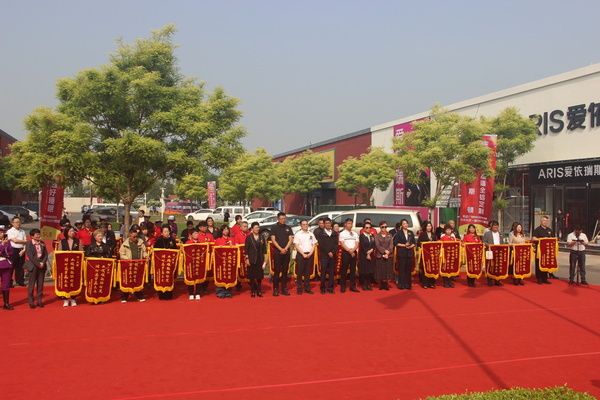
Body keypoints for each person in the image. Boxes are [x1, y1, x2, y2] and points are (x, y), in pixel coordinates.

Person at [119, 228, 148, 303]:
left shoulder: (140, 243)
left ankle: (139, 295)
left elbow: (144, 252)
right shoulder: (125, 244)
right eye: (134, 237)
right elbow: (122, 254)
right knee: (127, 281)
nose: (135, 238)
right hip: (128, 265)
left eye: (136, 236)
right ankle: (124, 296)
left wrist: (146, 256)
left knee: (137, 280)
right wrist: (128, 259)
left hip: (138, 265)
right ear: (130, 235)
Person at [270, 212, 294, 297]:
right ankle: (275, 289)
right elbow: (273, 240)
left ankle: (284, 288)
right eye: (281, 219)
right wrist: (280, 249)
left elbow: (290, 239)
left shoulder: (288, 228)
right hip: (278, 252)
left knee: (285, 271)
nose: (283, 220)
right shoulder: (274, 228)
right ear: (278, 219)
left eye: (284, 218)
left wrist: (286, 248)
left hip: (286, 252)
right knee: (277, 271)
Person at [24, 229, 48, 308]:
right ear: (32, 236)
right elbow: (30, 256)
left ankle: (39, 300)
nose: (38, 236)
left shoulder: (42, 243)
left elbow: (46, 254)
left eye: (39, 234)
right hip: (33, 266)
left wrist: (43, 263)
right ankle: (31, 301)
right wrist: (38, 264)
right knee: (32, 284)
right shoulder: (29, 243)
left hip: (42, 266)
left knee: (40, 284)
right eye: (37, 234)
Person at [154, 226, 179, 300]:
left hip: (169, 262)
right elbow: (155, 251)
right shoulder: (159, 240)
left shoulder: (172, 240)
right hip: (161, 263)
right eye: (165, 231)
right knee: (161, 277)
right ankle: (161, 293)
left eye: (167, 231)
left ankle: (169, 293)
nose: (166, 233)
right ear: (162, 233)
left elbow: (175, 250)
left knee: (169, 277)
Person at [293, 219, 317, 295]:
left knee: (307, 272)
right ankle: (299, 288)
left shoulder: (311, 234)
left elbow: (314, 244)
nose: (305, 226)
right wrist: (303, 254)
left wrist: (310, 253)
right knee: (300, 272)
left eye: (306, 224)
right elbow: (296, 245)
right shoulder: (298, 234)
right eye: (303, 224)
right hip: (301, 254)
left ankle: (307, 288)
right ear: (301, 225)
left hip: (309, 254)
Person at [315, 217, 338, 294]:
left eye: (329, 223)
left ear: (331, 224)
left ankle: (330, 288)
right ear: (324, 224)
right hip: (324, 255)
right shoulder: (320, 233)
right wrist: (328, 252)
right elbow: (321, 244)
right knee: (323, 272)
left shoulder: (334, 233)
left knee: (331, 272)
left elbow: (336, 244)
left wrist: (332, 252)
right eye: (326, 223)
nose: (328, 224)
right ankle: (322, 288)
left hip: (332, 255)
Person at [245, 222, 266, 297]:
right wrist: (247, 259)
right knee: (252, 276)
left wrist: (265, 260)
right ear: (252, 229)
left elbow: (264, 249)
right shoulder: (249, 237)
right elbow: (246, 249)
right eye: (256, 227)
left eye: (258, 227)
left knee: (259, 276)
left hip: (260, 259)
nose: (257, 229)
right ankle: (253, 290)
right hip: (252, 259)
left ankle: (259, 290)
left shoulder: (262, 237)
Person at [394, 219, 416, 290]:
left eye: (406, 223)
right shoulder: (398, 233)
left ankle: (408, 284)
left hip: (409, 253)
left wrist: (410, 246)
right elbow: (395, 243)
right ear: (401, 225)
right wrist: (404, 245)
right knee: (402, 269)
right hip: (402, 253)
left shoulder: (410, 232)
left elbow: (414, 243)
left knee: (408, 269)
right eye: (404, 223)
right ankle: (401, 284)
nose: (405, 225)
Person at [339, 218, 360, 293]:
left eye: (351, 223)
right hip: (346, 253)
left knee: (353, 270)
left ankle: (352, 286)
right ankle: (343, 286)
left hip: (354, 253)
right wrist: (349, 251)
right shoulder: (342, 233)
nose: (350, 225)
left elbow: (357, 243)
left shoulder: (355, 233)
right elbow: (342, 244)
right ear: (345, 224)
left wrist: (353, 250)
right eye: (348, 223)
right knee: (344, 270)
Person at [215, 225, 235, 299]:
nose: (226, 231)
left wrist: (231, 245)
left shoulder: (231, 239)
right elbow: (216, 251)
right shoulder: (218, 240)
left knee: (229, 275)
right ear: (221, 231)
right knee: (221, 275)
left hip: (229, 260)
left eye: (227, 229)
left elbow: (235, 250)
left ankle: (228, 291)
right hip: (221, 261)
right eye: (224, 229)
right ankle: (220, 291)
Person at [532, 216, 553, 285]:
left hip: (547, 251)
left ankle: (545, 278)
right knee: (539, 264)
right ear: (541, 221)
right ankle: (539, 278)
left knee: (545, 264)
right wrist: (542, 239)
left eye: (547, 221)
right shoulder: (537, 229)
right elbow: (533, 238)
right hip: (539, 250)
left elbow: (553, 238)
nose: (545, 222)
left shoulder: (549, 230)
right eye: (544, 220)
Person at [6, 216, 27, 287]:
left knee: (21, 267)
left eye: (19, 222)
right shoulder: (9, 231)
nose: (18, 223)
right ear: (12, 223)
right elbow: (14, 240)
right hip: (13, 250)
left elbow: (26, 242)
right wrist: (23, 241)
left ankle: (20, 281)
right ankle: (9, 282)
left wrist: (24, 250)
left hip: (21, 250)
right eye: (16, 222)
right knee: (11, 267)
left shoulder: (22, 231)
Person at [374, 221, 393, 290]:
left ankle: (386, 284)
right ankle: (381, 284)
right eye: (382, 227)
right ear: (380, 227)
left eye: (385, 227)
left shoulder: (390, 235)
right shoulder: (377, 236)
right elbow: (377, 245)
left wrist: (388, 252)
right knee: (381, 270)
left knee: (387, 270)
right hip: (380, 255)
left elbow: (391, 245)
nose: (384, 228)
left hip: (388, 255)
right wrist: (384, 251)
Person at [417, 221, 437, 289]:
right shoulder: (422, 234)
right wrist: (426, 243)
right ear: (425, 227)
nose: (429, 227)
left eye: (430, 226)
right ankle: (425, 283)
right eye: (428, 226)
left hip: (432, 255)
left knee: (432, 268)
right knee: (425, 268)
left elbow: (436, 244)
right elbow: (418, 244)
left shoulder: (434, 235)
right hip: (425, 255)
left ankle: (432, 283)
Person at [483, 221, 503, 287]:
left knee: (497, 266)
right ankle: (490, 280)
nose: (495, 227)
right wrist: (489, 245)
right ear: (491, 227)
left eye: (497, 225)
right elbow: (484, 242)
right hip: (490, 251)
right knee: (489, 266)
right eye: (494, 225)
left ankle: (497, 280)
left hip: (498, 253)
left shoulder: (500, 234)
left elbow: (502, 243)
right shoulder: (487, 233)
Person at [358, 221, 376, 290]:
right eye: (367, 227)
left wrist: (370, 251)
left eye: (369, 227)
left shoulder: (372, 236)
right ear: (364, 228)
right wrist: (367, 253)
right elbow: (362, 246)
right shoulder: (361, 236)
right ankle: (364, 284)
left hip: (371, 255)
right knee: (364, 270)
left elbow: (374, 245)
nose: (368, 229)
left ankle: (369, 284)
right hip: (363, 255)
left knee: (370, 270)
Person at [0, 226, 14, 310]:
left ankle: (6, 303)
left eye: (2, 232)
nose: (1, 234)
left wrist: (3, 251)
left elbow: (10, 252)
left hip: (5, 264)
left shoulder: (7, 242)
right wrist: (2, 245)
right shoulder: (4, 243)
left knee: (6, 284)